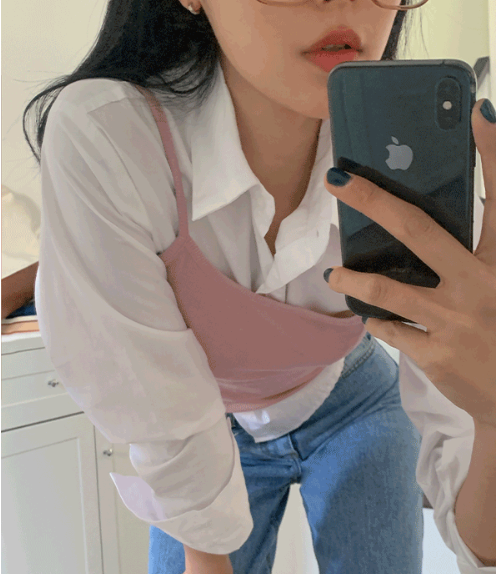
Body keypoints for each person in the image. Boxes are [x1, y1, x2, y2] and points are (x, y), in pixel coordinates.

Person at [22, 0, 496, 572]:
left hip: (355, 393)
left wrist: (493, 415)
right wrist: (206, 550)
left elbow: (481, 542)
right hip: (209, 414)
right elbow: (159, 403)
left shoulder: (420, 160)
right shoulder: (113, 134)